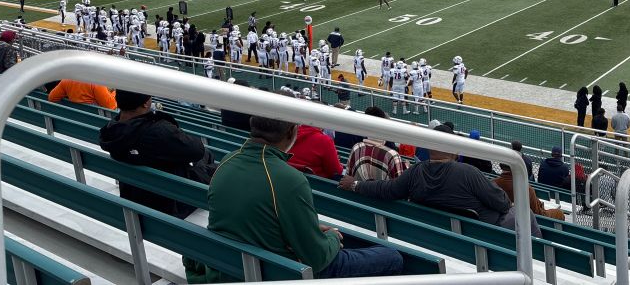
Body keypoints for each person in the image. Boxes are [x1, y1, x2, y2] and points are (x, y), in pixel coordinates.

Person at [192, 112, 403, 281]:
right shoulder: (290, 178)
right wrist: (330, 237)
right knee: (392, 257)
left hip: (233, 260)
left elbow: (253, 214)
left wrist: (309, 227)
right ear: (293, 131)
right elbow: (317, 258)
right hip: (282, 271)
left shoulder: (227, 161)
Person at [339, 124, 539, 236]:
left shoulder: (416, 172)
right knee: (526, 213)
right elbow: (502, 204)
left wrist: (355, 184)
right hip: (484, 233)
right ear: (453, 148)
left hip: (441, 234)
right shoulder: (468, 172)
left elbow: (387, 190)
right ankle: (540, 257)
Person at [99, 90, 215, 218]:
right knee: (214, 161)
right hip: (168, 202)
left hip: (134, 193)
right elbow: (198, 150)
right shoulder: (157, 131)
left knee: (205, 155)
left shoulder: (112, 130)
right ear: (145, 103)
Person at [346, 107, 410, 181]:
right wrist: (406, 167)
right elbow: (398, 187)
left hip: (358, 191)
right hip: (380, 192)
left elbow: (348, 177)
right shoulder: (392, 155)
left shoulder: (356, 148)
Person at [495, 166, 565, 220]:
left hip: (503, 219)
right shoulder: (526, 188)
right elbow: (538, 214)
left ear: (501, 166)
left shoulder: (493, 184)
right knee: (559, 213)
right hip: (528, 222)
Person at [49, 79, 117, 110]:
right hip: (96, 124)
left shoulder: (66, 80)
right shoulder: (96, 83)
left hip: (75, 120)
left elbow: (52, 98)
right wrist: (115, 92)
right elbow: (111, 106)